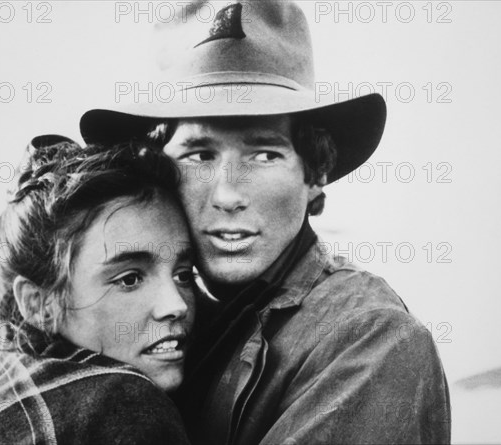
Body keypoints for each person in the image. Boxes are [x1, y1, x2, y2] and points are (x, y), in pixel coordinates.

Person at [79, 1, 451, 444]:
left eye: (263, 154)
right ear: (159, 172)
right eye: (200, 155)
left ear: (314, 174)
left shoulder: (371, 339)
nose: (228, 195)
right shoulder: (168, 314)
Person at [0, 136, 193, 444]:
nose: (176, 304)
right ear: (39, 304)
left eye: (184, 274)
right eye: (129, 279)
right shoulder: (126, 404)